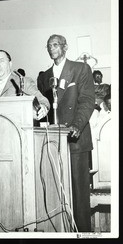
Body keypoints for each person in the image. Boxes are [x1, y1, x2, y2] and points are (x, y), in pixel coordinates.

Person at [37, 34, 95, 232]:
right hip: (53, 140)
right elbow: (45, 106)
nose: (51, 48)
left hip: (75, 139)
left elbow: (87, 100)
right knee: (56, 191)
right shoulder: (44, 76)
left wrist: (77, 125)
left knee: (78, 194)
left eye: (55, 44)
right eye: (48, 45)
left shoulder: (80, 69)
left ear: (65, 47)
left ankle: (83, 233)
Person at [0, 50, 50, 121]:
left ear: (10, 64)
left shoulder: (23, 81)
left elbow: (43, 101)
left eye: (1, 61)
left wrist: (42, 107)